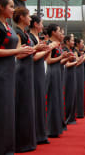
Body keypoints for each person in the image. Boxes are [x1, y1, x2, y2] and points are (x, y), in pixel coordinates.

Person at [0, 0, 34, 155]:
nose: (13, 9)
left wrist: (28, 50)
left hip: (9, 71)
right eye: (11, 6)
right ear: (1, 8)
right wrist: (19, 50)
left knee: (7, 112)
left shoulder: (7, 26)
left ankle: (7, 148)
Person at [13, 7, 48, 152]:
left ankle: (30, 138)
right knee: (24, 106)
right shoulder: (18, 33)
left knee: (31, 106)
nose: (30, 19)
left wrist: (43, 49)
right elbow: (19, 54)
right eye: (28, 16)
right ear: (22, 17)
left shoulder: (23, 34)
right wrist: (39, 49)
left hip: (29, 70)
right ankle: (23, 140)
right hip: (23, 70)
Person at [29, 14, 53, 145]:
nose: (43, 26)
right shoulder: (30, 37)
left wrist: (46, 50)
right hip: (33, 70)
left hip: (39, 69)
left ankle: (40, 133)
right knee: (35, 101)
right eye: (41, 23)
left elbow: (41, 56)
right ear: (35, 24)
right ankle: (36, 133)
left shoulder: (37, 38)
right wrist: (48, 49)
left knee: (39, 101)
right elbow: (33, 56)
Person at [45, 24, 69, 138]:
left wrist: (66, 58)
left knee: (58, 100)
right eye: (60, 31)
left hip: (58, 71)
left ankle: (57, 127)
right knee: (53, 100)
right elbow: (49, 61)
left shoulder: (58, 45)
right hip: (52, 72)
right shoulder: (50, 44)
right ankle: (51, 129)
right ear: (53, 32)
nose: (61, 33)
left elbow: (59, 62)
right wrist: (62, 57)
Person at [62, 35, 78, 125]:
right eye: (72, 40)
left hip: (72, 73)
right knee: (69, 95)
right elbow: (67, 64)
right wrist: (76, 62)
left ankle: (72, 117)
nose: (73, 42)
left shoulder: (71, 50)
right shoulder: (65, 51)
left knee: (73, 95)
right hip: (68, 74)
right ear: (67, 41)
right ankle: (68, 117)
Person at [75, 38, 85, 118]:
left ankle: (80, 111)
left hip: (81, 71)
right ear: (77, 44)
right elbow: (78, 62)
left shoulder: (78, 51)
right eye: (82, 43)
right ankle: (78, 112)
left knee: (81, 91)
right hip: (77, 71)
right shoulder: (75, 51)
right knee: (79, 91)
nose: (83, 45)